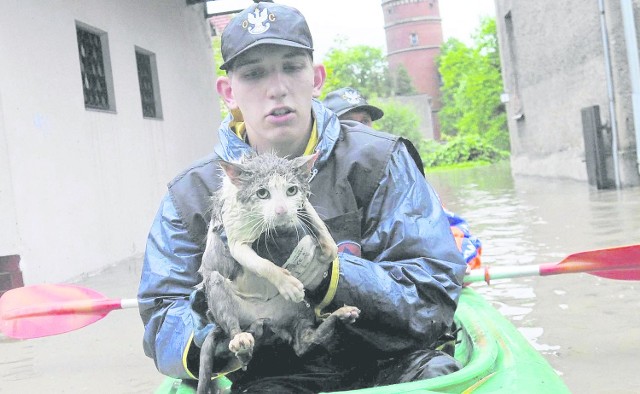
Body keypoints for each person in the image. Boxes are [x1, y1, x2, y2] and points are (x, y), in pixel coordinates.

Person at [138, 2, 467, 393]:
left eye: (292, 67)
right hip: (273, 375)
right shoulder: (190, 194)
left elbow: (434, 290)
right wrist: (225, 336)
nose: (276, 88)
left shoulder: (379, 160)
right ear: (229, 92)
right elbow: (162, 314)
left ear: (316, 79)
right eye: (254, 73)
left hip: (394, 361)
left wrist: (333, 277)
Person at [322, 87, 482, 269]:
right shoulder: (317, 182)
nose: (359, 129)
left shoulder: (394, 170)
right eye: (348, 123)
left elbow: (439, 226)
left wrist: (456, 261)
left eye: (365, 121)